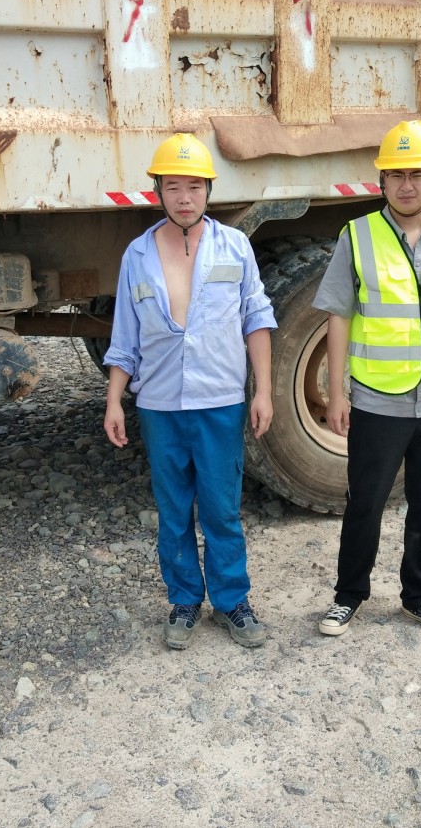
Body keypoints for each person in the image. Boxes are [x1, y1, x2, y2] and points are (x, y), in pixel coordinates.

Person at [103, 132, 276, 650]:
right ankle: (183, 601)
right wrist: (114, 401)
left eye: (194, 187)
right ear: (157, 191)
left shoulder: (235, 246)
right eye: (173, 187)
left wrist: (263, 391)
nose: (184, 197)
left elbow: (257, 319)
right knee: (174, 510)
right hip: (160, 406)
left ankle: (232, 601)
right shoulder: (137, 255)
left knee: (222, 509)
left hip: (220, 402)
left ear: (208, 191)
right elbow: (124, 338)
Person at [313, 120, 421, 637]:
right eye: (396, 175)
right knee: (365, 503)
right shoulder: (357, 235)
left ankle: (419, 597)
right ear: (381, 180)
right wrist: (337, 393)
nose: (407, 185)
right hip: (378, 398)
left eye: (417, 174)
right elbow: (338, 316)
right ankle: (348, 597)